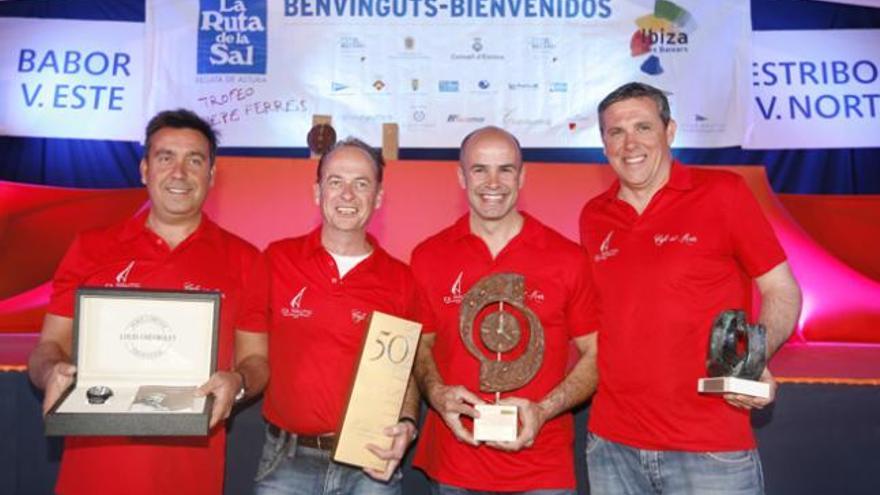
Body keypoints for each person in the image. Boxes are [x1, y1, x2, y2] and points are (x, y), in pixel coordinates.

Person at [27, 109, 266, 495]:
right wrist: (50, 371)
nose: (179, 172)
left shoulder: (245, 259)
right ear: (144, 169)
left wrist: (238, 382)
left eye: (195, 160)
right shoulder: (90, 248)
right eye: (165, 157)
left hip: (190, 473)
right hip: (94, 470)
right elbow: (47, 347)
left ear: (212, 175)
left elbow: (256, 361)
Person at [579, 82, 802, 494]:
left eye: (643, 127)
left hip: (709, 446)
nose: (630, 144)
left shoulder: (723, 193)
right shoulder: (594, 215)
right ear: (603, 142)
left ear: (670, 131)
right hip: (612, 445)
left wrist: (752, 359)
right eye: (616, 132)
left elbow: (782, 290)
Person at [411, 126, 599, 494]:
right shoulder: (428, 257)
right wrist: (436, 394)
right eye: (479, 169)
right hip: (455, 465)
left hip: (542, 470)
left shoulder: (568, 258)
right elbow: (421, 345)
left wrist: (543, 409)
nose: (492, 182)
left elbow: (597, 353)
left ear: (523, 176)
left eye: (506, 169)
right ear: (461, 176)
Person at [237, 138, 422, 494]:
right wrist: (237, 382)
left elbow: (405, 372)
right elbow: (253, 358)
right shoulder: (276, 260)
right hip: (285, 462)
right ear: (317, 192)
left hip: (370, 465)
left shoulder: (401, 279)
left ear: (379, 198)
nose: (347, 195)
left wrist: (408, 422)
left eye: (361, 183)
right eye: (336, 182)